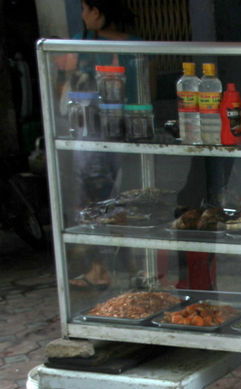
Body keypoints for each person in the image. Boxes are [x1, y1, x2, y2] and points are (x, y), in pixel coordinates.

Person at [57, 0, 141, 289]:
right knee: (119, 203)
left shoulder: (79, 46)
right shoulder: (137, 46)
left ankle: (101, 269)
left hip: (91, 137)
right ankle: (128, 267)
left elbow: (63, 91)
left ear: (97, 11)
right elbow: (146, 92)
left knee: (95, 203)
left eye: (84, 8)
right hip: (126, 134)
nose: (82, 15)